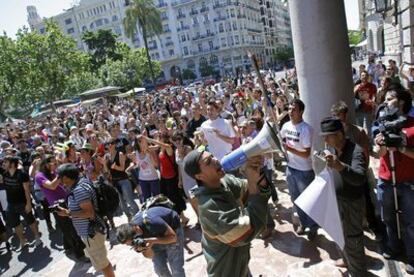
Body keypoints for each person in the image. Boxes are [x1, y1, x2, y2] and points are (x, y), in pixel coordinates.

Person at [183, 149, 271, 276]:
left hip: (241, 268)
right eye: (208, 161)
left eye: (212, 156)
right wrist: (253, 183)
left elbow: (254, 190)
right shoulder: (209, 207)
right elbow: (248, 231)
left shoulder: (224, 182)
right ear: (199, 176)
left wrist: (256, 171)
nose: (216, 160)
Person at [320, 117, 368, 277]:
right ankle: (346, 260)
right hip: (337, 202)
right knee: (338, 234)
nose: (325, 139)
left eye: (328, 135)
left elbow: (359, 177)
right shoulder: (333, 149)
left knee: (353, 240)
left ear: (340, 134)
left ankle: (358, 272)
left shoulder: (356, 151)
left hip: (352, 205)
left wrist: (340, 166)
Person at [374, 88, 414, 275]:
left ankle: (412, 255)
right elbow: (379, 154)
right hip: (386, 179)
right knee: (388, 217)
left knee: (410, 221)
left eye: (390, 98)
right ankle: (393, 246)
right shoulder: (380, 124)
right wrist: (382, 143)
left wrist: (401, 147)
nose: (386, 101)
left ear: (402, 102)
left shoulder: (412, 125)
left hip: (408, 181)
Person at [56, 163, 115, 277]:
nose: (59, 180)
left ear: (66, 177)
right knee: (102, 260)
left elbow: (89, 213)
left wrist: (68, 213)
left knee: (102, 263)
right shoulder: (82, 182)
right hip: (92, 231)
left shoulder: (79, 190)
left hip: (91, 232)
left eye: (60, 177)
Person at [35, 155, 88, 262]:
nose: (56, 165)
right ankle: (80, 254)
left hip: (66, 200)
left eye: (56, 163)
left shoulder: (53, 173)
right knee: (70, 229)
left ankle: (68, 247)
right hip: (57, 205)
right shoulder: (39, 176)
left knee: (67, 227)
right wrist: (60, 174)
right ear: (46, 165)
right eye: (53, 164)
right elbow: (51, 186)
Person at [280, 99, 318, 240]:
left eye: (294, 109)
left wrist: (289, 148)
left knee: (308, 200)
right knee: (296, 199)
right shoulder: (285, 126)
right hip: (291, 168)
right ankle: (303, 223)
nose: (290, 112)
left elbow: (306, 153)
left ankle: (313, 227)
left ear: (301, 111)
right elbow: (282, 141)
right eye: (289, 108)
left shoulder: (306, 129)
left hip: (304, 171)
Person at [116, 205, 185, 277]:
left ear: (136, 229)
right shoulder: (134, 236)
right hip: (154, 235)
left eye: (132, 242)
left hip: (172, 230)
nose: (133, 243)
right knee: (160, 270)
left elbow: (173, 238)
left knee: (176, 269)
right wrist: (146, 249)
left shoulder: (152, 221)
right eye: (130, 244)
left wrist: (153, 241)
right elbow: (150, 256)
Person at [2, 155, 41, 250]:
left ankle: (37, 237)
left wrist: (28, 204)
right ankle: (23, 241)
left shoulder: (22, 174)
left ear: (12, 164)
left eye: (6, 162)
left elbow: (27, 190)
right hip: (10, 204)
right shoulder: (4, 173)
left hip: (23, 203)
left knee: (30, 221)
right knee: (15, 224)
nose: (3, 164)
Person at [354, 70, 377, 138]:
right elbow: (351, 96)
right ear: (360, 77)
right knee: (359, 128)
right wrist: (355, 90)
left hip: (368, 109)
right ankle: (361, 143)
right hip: (358, 109)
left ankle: (370, 143)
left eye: (366, 76)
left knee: (368, 128)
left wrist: (372, 103)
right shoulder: (357, 86)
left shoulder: (372, 86)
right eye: (363, 75)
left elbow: (374, 96)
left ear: (368, 77)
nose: (364, 77)